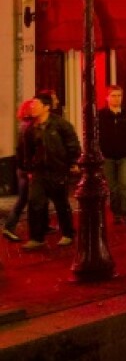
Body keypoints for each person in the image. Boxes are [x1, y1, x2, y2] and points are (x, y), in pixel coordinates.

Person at [17, 92, 80, 249]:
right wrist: (28, 168)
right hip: (39, 171)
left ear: (46, 107)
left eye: (36, 105)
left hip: (58, 169)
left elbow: (72, 144)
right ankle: (36, 238)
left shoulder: (61, 125)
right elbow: (27, 150)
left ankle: (68, 233)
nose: (32, 107)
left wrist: (73, 162)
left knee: (61, 203)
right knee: (35, 202)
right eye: (32, 104)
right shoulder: (31, 128)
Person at [98, 85, 126, 226]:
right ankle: (117, 213)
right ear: (107, 98)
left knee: (125, 184)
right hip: (108, 157)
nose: (117, 99)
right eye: (113, 96)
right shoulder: (101, 116)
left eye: (119, 96)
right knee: (113, 187)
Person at [3, 100, 38, 242]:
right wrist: (28, 169)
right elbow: (26, 151)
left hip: (23, 168)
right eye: (33, 107)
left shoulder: (26, 125)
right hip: (25, 169)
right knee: (24, 199)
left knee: (32, 198)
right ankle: (9, 226)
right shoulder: (28, 127)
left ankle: (41, 225)